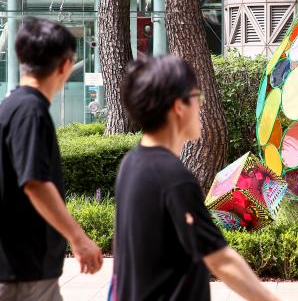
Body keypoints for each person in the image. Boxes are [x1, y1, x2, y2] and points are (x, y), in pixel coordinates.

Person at [115, 55, 279, 301]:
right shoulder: (174, 179)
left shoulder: (131, 163)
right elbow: (221, 260)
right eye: (197, 98)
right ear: (178, 107)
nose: (201, 106)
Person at [0, 18, 103, 301]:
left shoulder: (11, 107)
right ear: (65, 66)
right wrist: (79, 238)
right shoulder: (30, 112)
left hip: (19, 265)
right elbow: (34, 182)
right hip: (25, 269)